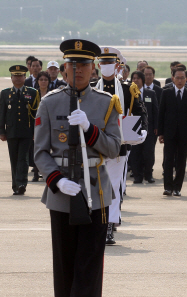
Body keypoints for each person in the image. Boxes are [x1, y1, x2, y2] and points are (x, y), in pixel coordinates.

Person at [34, 39, 122, 296]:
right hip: (62, 193)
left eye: (83, 64)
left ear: (93, 68)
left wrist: (90, 129)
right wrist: (56, 180)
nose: (78, 69)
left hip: (96, 192)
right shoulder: (50, 102)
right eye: (72, 64)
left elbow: (115, 148)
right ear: (63, 69)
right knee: (64, 264)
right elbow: (40, 152)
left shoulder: (106, 102)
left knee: (90, 265)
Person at [95, 46, 148, 245]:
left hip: (119, 146)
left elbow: (141, 113)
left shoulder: (127, 89)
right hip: (95, 145)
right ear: (98, 65)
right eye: (103, 63)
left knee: (114, 186)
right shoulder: (92, 87)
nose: (107, 66)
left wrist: (142, 129)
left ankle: (109, 225)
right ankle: (97, 223)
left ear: (117, 65)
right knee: (96, 186)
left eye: (110, 63)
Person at [0, 65, 40, 195]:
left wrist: (36, 131)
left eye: (20, 75)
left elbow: (37, 114)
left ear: (24, 77)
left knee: (23, 157)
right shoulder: (5, 93)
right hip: (11, 131)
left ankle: (22, 183)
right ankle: (15, 185)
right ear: (11, 78)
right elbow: (2, 113)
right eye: (15, 76)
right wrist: (1, 131)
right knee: (14, 158)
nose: (18, 78)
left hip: (27, 131)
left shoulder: (32, 92)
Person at [158, 66, 187, 196]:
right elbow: (161, 113)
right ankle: (168, 187)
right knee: (168, 160)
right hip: (169, 133)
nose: (180, 80)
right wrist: (161, 133)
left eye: (182, 78)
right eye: (177, 78)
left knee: (181, 161)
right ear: (173, 78)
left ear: (186, 79)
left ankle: (178, 187)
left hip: (184, 133)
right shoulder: (166, 93)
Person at [130, 71, 158, 184]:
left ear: (142, 80)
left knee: (148, 152)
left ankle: (149, 175)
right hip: (133, 127)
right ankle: (137, 176)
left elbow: (155, 110)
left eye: (138, 78)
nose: (135, 80)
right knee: (135, 153)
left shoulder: (150, 93)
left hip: (149, 128)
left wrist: (156, 126)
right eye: (133, 78)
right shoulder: (129, 93)